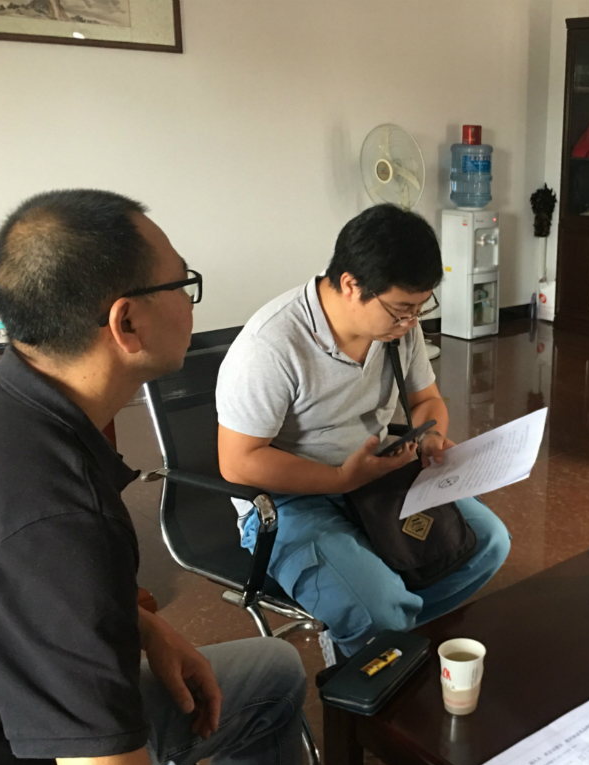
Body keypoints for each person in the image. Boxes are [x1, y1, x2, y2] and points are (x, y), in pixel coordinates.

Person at [0, 190, 396, 765]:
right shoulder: (59, 520)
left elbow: (18, 595)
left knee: (274, 669)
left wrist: (144, 627)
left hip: (18, 701)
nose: (192, 301)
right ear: (127, 323)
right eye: (183, 284)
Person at [216, 204, 510, 657]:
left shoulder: (398, 330)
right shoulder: (271, 346)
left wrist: (430, 436)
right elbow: (238, 462)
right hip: (288, 501)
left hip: (377, 474)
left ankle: (383, 642)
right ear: (352, 285)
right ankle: (377, 639)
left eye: (420, 308)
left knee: (488, 543)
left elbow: (427, 401)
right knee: (380, 610)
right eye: (401, 310)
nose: (411, 323)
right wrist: (339, 479)